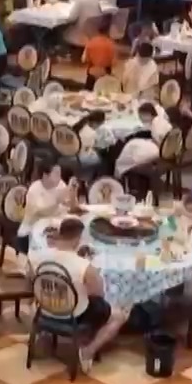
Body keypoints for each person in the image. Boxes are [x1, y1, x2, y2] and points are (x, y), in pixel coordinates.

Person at [36, 216, 131, 372]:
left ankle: (45, 333)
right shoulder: (84, 266)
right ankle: (88, 351)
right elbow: (99, 295)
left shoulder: (39, 257)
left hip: (45, 308)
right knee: (119, 316)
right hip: (73, 314)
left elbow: (32, 283)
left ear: (60, 233)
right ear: (78, 238)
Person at [23, 156, 80, 229]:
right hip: (36, 226)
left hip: (57, 222)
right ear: (45, 175)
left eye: (60, 174)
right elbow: (38, 214)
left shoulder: (61, 184)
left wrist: (73, 192)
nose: (59, 177)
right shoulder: (34, 189)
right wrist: (57, 201)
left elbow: (73, 208)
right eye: (56, 174)